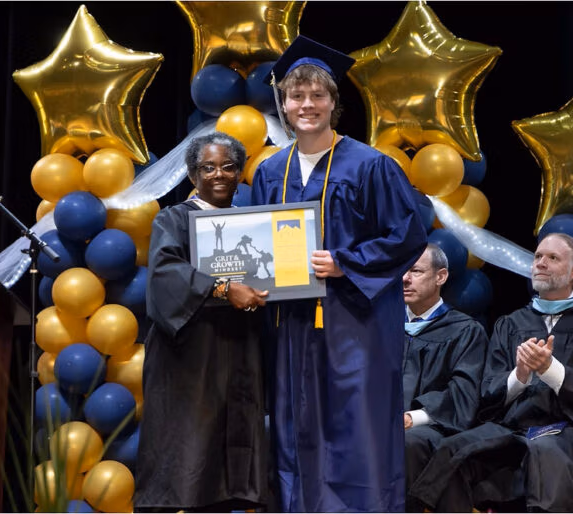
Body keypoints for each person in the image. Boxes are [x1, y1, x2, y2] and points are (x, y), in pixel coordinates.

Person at [250, 35, 428, 512]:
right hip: (293, 321)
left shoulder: (372, 166)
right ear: (283, 105)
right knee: (296, 422)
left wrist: (345, 263)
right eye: (296, 96)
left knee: (358, 427)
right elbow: (257, 242)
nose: (307, 104)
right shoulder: (270, 172)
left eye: (317, 95)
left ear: (333, 102)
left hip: (357, 323)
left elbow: (409, 234)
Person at [408, 233, 573, 513]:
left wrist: (550, 370)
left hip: (570, 431)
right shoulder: (512, 323)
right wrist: (520, 376)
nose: (541, 263)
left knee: (545, 452)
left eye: (552, 258)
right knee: (454, 451)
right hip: (512, 428)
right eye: (537, 257)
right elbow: (486, 394)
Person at [135, 132, 270, 512]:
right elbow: (165, 275)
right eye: (207, 167)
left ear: (240, 172)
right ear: (193, 173)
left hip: (238, 347)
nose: (219, 175)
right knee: (183, 452)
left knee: (227, 463)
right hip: (188, 354)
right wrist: (225, 289)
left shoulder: (250, 225)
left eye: (229, 167)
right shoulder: (174, 218)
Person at [401, 244, 488, 511]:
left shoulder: (465, 331)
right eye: (402, 270)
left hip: (435, 428)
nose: (405, 278)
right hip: (378, 423)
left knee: (407, 442)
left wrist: (411, 417)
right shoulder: (382, 327)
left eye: (416, 270)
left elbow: (463, 394)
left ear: (441, 277)